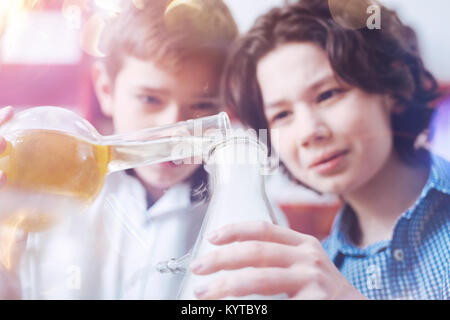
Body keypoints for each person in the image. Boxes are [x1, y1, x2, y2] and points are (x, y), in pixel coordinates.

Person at [188, 0, 449, 300]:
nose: (309, 132)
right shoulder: (311, 276)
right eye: (282, 115)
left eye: (328, 95)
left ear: (392, 89)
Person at [0, 0, 238, 299]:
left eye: (202, 106)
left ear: (225, 108)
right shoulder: (48, 194)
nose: (174, 127)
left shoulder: (241, 216)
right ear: (106, 90)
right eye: (150, 99)